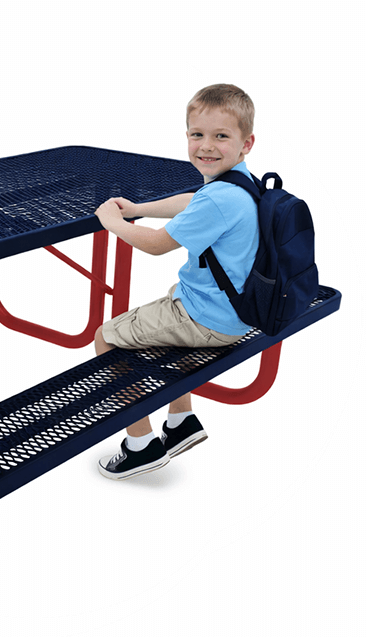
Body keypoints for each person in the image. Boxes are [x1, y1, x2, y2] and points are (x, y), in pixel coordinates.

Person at [93, 84, 258, 480]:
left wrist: (114, 222)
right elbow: (191, 201)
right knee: (158, 326)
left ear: (245, 143)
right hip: (235, 311)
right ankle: (180, 422)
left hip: (207, 318)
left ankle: (140, 446)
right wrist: (139, 209)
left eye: (221, 136)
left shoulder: (220, 198)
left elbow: (155, 245)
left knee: (106, 337)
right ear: (186, 135)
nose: (206, 146)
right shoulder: (238, 183)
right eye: (197, 134)